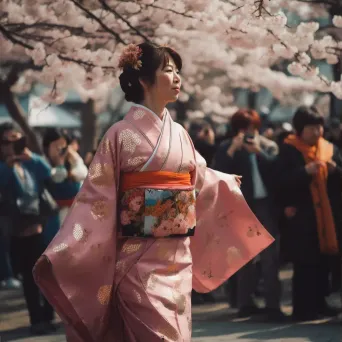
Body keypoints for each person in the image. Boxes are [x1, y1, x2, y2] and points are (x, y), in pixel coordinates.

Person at [33, 43, 274, 342]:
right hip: (137, 258)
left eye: (177, 72)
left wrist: (223, 181)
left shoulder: (180, 133)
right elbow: (96, 196)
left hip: (177, 257)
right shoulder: (119, 134)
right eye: (168, 70)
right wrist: (67, 247)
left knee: (177, 332)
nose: (177, 78)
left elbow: (197, 176)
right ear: (144, 80)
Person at [212, 109, 284, 321]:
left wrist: (258, 152)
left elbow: (277, 172)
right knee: (245, 258)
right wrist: (233, 149)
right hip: (242, 206)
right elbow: (219, 173)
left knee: (271, 257)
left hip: (266, 206)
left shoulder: (267, 145)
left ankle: (273, 304)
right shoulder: (228, 147)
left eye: (251, 127)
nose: (248, 132)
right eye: (243, 128)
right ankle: (246, 303)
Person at [275, 106, 342, 321]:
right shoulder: (289, 149)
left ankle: (320, 303)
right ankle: (302, 308)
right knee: (305, 262)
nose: (317, 132)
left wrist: (335, 171)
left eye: (319, 126)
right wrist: (304, 172)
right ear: (300, 130)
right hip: (303, 215)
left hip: (328, 214)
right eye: (312, 127)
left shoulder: (329, 149)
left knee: (324, 261)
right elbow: (280, 181)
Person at [0, 123, 56, 335]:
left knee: (48, 277)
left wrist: (29, 155)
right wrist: (8, 164)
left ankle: (48, 317)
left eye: (16, 140)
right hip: (17, 232)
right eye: (6, 141)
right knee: (29, 279)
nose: (11, 145)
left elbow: (47, 173)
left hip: (40, 228)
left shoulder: (31, 162)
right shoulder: (3, 167)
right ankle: (36, 320)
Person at [42, 128, 87, 244]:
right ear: (47, 147)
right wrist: (60, 164)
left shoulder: (71, 161)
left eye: (62, 146)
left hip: (73, 221)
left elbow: (84, 173)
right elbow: (57, 178)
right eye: (56, 146)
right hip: (53, 223)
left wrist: (72, 156)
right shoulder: (43, 164)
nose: (59, 149)